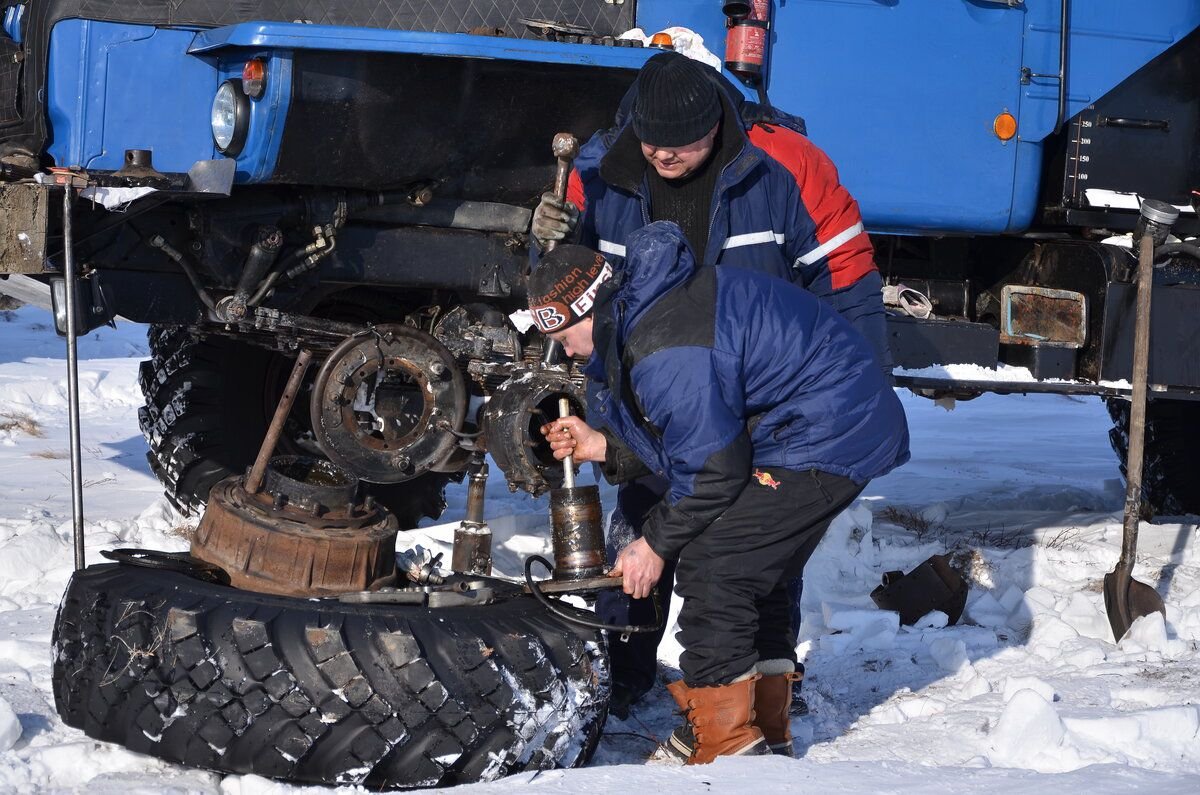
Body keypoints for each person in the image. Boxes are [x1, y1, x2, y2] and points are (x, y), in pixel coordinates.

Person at [530, 50, 893, 718]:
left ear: (718, 125)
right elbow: (562, 285)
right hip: (651, 382)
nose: (664, 157)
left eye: (684, 144)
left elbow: (846, 278)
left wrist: (858, 394)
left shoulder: (789, 165)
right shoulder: (597, 170)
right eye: (652, 144)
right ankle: (622, 673)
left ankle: (764, 682)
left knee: (755, 545)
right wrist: (545, 239)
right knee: (641, 518)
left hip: (765, 392)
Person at [528, 225, 909, 764]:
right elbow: (697, 439)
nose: (562, 350)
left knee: (715, 562)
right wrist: (605, 448)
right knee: (758, 568)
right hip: (807, 424)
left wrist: (654, 545)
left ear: (590, 310)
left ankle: (726, 742)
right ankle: (761, 727)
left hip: (828, 430)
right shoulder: (648, 316)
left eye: (564, 334)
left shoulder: (663, 346)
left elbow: (713, 469)